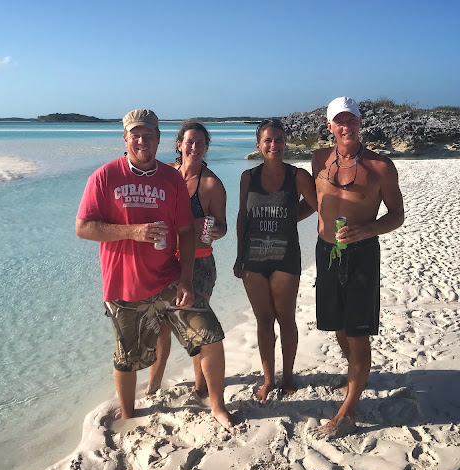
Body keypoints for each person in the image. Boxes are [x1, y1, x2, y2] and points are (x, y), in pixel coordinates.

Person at [75, 109, 233, 430]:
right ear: (125, 138)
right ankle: (129, 416)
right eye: (136, 135)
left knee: (210, 336)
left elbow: (186, 230)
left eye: (148, 135)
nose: (142, 141)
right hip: (124, 285)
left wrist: (186, 279)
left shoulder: (171, 179)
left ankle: (217, 407)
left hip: (169, 279)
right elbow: (83, 227)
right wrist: (132, 232)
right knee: (126, 358)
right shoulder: (105, 176)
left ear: (159, 139)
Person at [303, 97, 404, 439]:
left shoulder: (380, 166)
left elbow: (397, 215)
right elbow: (314, 201)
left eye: (352, 120)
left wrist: (367, 229)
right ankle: (356, 376)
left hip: (361, 254)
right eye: (339, 121)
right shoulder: (319, 158)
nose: (346, 126)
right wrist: (280, 221)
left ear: (360, 123)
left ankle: (348, 412)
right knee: (338, 326)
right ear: (329, 126)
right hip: (326, 251)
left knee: (357, 332)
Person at [234, 119, 317, 402]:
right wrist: (239, 256)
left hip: (285, 257)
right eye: (268, 140)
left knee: (286, 318)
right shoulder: (248, 177)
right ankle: (268, 379)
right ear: (258, 145)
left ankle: (289, 376)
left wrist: (292, 217)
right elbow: (242, 216)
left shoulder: (297, 176)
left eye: (279, 139)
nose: (274, 145)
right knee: (263, 320)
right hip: (253, 259)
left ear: (285, 143)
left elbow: (316, 204)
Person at [146, 120, 228, 399]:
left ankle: (200, 386)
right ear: (179, 144)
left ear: (206, 147)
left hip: (200, 263)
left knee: (197, 329)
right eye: (189, 142)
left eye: (200, 143)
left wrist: (215, 231)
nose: (194, 147)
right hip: (166, 261)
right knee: (160, 328)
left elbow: (222, 226)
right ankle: (153, 385)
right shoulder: (165, 174)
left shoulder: (211, 184)